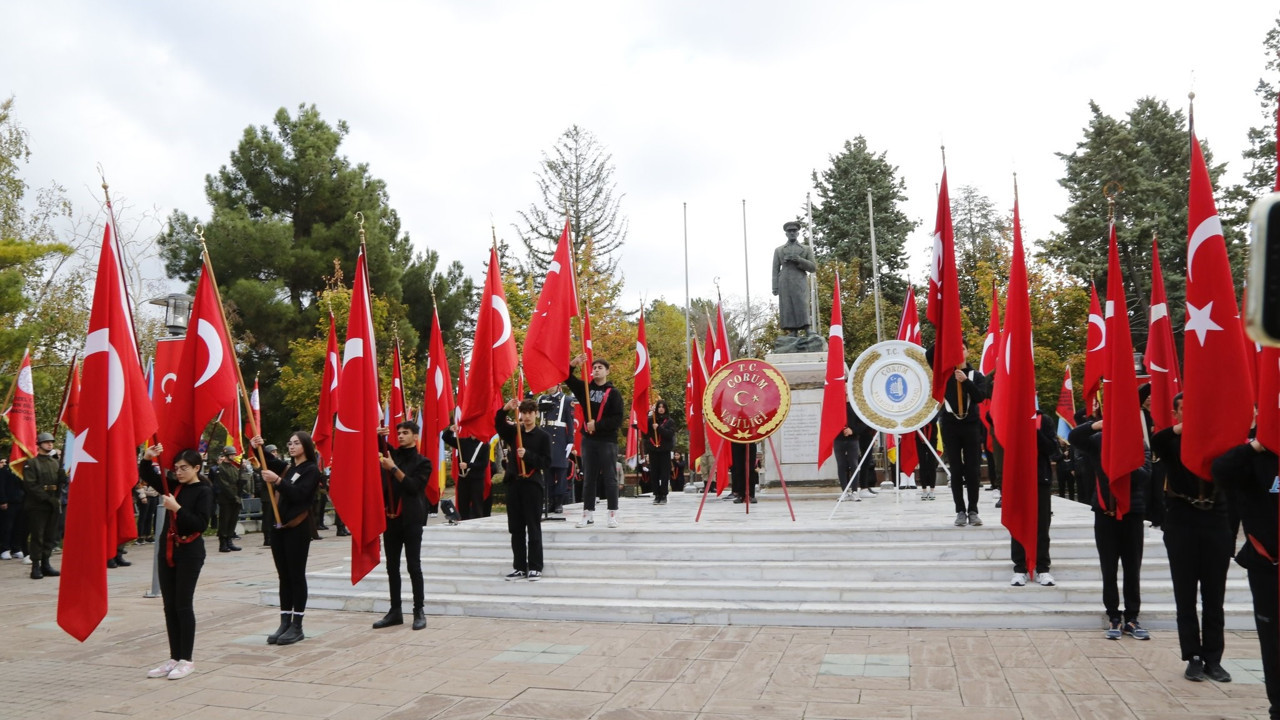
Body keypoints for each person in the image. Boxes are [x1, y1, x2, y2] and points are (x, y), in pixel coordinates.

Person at [1153, 393, 1233, 683]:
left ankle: (1214, 659)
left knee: (1215, 595)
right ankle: (1193, 657)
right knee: (1185, 595)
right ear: (1176, 413)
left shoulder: (1219, 441)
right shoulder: (1171, 442)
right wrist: (1187, 428)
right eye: (1186, 409)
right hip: (1182, 521)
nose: (1192, 414)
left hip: (1215, 520)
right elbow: (1158, 441)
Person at [1069, 417, 1152, 641]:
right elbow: (1074, 437)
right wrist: (1096, 426)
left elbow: (1144, 476)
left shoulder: (1139, 445)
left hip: (1131, 514)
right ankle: (1113, 615)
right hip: (1105, 514)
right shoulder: (1098, 441)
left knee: (1132, 568)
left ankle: (1132, 617)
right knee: (1109, 568)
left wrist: (1122, 460)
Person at [1212, 439, 1278, 716]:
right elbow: (1221, 471)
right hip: (1267, 565)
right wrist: (1258, 444)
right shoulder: (1255, 458)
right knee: (1274, 643)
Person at [139, 445, 213, 680]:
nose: (179, 472)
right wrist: (147, 457)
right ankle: (174, 656)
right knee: (169, 605)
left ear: (196, 468)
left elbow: (200, 524)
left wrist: (177, 508)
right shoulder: (175, 486)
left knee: (183, 604)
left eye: (184, 468)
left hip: (190, 552)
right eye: (176, 468)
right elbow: (150, 476)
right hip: (168, 550)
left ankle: (186, 659)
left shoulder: (204, 490)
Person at [253, 431, 321, 646]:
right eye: (289, 443)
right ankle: (284, 620)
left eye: (296, 443)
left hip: (297, 528)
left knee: (296, 575)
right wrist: (258, 447)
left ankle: (297, 624)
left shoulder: (311, 470)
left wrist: (279, 482)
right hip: (279, 529)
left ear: (306, 446)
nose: (292, 446)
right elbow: (270, 461)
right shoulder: (288, 468)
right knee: (284, 576)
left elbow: (299, 494)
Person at [371, 421, 431, 631]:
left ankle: (418, 610)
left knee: (413, 565)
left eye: (406, 433)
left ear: (416, 436)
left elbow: (414, 487)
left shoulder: (423, 462)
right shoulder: (392, 455)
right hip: (391, 519)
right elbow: (379, 447)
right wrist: (378, 435)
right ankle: (395, 610)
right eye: (399, 433)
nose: (401, 436)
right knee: (391, 567)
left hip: (412, 519)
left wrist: (393, 469)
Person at [565, 354, 625, 528]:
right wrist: (573, 363)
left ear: (607, 371)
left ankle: (612, 513)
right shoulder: (585, 389)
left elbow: (617, 419)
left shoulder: (613, 393)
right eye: (594, 367)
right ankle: (587, 513)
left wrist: (597, 426)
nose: (596, 370)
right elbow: (567, 378)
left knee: (610, 477)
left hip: (607, 440)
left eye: (600, 367)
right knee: (588, 477)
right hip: (589, 440)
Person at [495, 398, 550, 580]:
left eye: (529, 413)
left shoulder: (543, 436)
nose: (526, 417)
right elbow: (498, 425)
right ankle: (519, 566)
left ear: (536, 414)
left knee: (533, 527)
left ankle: (535, 566)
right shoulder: (514, 432)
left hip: (532, 484)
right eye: (523, 413)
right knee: (516, 528)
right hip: (514, 483)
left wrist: (528, 455)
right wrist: (505, 409)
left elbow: (547, 462)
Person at [936, 359, 988, 527]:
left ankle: (973, 510)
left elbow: (980, 396)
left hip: (971, 426)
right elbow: (930, 356)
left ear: (967, 352)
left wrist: (965, 382)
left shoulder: (976, 375)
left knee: (973, 470)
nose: (959, 353)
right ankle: (960, 510)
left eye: (962, 349)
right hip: (951, 427)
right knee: (956, 470)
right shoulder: (945, 375)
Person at [1010, 411, 1059, 587]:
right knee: (1018, 523)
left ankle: (1042, 568)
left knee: (1042, 524)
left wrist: (1035, 430)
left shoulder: (1044, 420)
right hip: (1018, 479)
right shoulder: (1011, 417)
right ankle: (1020, 568)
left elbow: (1052, 449)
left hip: (1040, 479)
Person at [22, 432, 65, 580]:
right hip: (37, 505)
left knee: (50, 536)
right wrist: (47, 498)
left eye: (51, 442)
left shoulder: (55, 463)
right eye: (46, 442)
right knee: (37, 536)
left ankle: (46, 564)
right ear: (39, 444)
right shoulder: (31, 463)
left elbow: (59, 484)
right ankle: (35, 566)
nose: (50, 444)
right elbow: (31, 485)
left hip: (52, 503)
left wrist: (62, 477)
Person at [771, 220, 817, 336]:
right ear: (786, 233)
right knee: (787, 305)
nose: (792, 233)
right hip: (785, 281)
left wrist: (799, 260)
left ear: (798, 233)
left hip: (799, 280)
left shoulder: (806, 249)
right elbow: (775, 269)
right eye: (789, 231)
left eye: (794, 231)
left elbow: (813, 267)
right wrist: (775, 286)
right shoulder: (779, 250)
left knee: (802, 303)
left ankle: (807, 329)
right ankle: (793, 331)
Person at [538, 385, 576, 513]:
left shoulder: (566, 400)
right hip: (545, 438)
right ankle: (550, 502)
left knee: (560, 472)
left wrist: (570, 441)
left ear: (558, 385)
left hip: (559, 439)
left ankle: (559, 503)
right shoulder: (542, 399)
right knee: (547, 474)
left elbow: (570, 422)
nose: (549, 387)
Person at [442, 425, 492, 520]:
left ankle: (477, 526)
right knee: (462, 505)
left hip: (477, 480)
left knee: (477, 506)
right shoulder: (463, 442)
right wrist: (450, 430)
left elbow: (483, 464)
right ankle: (463, 525)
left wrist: (468, 465)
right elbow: (446, 438)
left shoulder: (484, 445)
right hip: (463, 479)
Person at [832, 400, 868, 502]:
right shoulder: (836, 405)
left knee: (854, 464)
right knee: (841, 465)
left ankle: (855, 491)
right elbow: (830, 420)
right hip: (838, 439)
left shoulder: (856, 405)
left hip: (853, 440)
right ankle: (844, 491)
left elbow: (863, 422)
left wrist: (853, 430)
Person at [211, 446, 244, 553]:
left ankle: (229, 541)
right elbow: (224, 485)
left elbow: (238, 482)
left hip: (235, 498)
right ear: (226, 455)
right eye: (232, 454)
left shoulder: (234, 468)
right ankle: (223, 543)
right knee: (224, 521)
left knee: (232, 520)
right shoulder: (220, 468)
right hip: (226, 499)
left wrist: (242, 475)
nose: (234, 456)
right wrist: (234, 496)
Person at [644, 400, 677, 505]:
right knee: (654, 473)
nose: (661, 409)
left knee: (664, 474)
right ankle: (656, 494)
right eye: (659, 407)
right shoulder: (652, 420)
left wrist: (659, 428)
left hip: (664, 451)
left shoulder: (669, 421)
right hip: (653, 450)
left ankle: (664, 495)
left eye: (663, 407)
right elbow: (645, 433)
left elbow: (669, 434)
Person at [0, 456, 26, 560]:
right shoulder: (4, 471)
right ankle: (4, 549)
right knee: (7, 527)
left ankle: (16, 548)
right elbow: (1, 486)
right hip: (9, 503)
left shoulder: (21, 470)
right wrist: (2, 500)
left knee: (18, 526)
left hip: (20, 502)